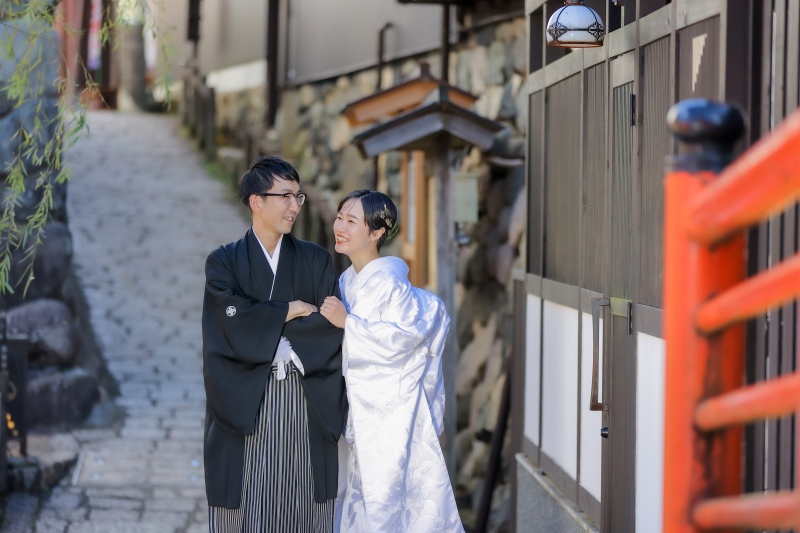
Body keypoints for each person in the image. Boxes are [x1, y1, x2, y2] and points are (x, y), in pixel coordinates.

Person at [202, 155, 347, 532]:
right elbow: (227, 321)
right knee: (248, 503)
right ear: (256, 202)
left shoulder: (316, 260)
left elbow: (328, 323)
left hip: (304, 399)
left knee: (303, 504)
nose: (295, 205)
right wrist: (287, 309)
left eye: (297, 196)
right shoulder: (223, 262)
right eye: (285, 196)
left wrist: (267, 323)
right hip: (244, 403)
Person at [320, 190, 464, 533]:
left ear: (376, 233)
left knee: (391, 511)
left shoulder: (391, 287)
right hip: (359, 415)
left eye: (351, 221)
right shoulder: (347, 281)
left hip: (391, 420)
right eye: (340, 217)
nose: (340, 226)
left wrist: (349, 325)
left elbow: (404, 341)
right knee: (360, 506)